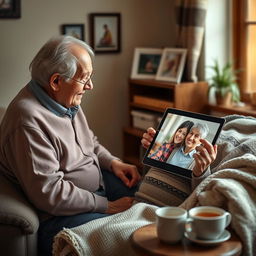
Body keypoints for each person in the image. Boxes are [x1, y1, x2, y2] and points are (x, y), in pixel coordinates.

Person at [0, 35, 141, 255]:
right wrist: (107, 206)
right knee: (130, 235)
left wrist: (113, 162)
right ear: (56, 81)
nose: (90, 86)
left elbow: (90, 142)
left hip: (96, 188)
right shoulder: (27, 121)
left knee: (150, 197)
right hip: (61, 216)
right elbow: (50, 193)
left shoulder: (63, 99)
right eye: (85, 79)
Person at [142, 124, 217, 180]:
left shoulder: (199, 161)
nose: (191, 138)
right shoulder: (174, 148)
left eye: (196, 136)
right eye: (191, 133)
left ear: (201, 141)